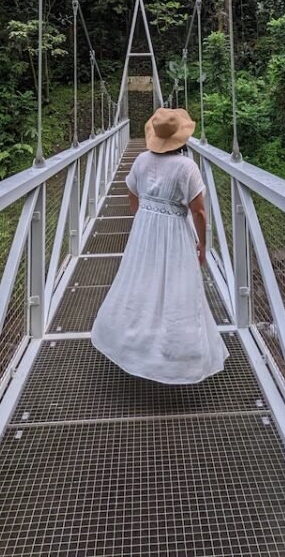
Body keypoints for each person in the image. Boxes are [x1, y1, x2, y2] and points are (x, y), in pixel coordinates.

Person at [91, 107, 229, 384]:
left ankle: (131, 345)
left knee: (138, 283)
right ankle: (176, 357)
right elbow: (199, 212)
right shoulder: (186, 167)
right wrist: (202, 243)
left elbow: (131, 192)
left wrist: (142, 219)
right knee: (178, 287)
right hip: (175, 232)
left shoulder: (141, 160)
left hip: (144, 228)